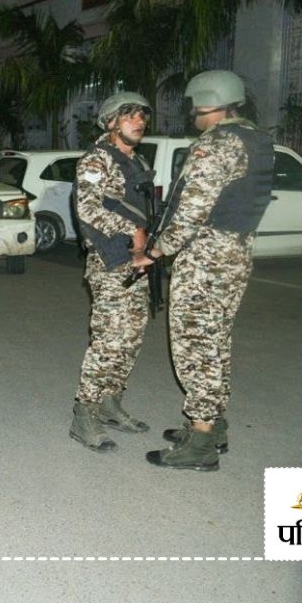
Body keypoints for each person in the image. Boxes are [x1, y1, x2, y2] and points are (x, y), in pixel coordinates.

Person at [138, 70, 274, 471]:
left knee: (196, 346)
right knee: (215, 342)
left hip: (206, 258)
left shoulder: (217, 144)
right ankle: (213, 426)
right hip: (235, 253)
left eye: (193, 104)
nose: (191, 112)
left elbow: (192, 211)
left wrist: (157, 250)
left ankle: (200, 443)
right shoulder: (258, 139)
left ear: (207, 101)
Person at [68, 92, 155, 453]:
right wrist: (132, 230)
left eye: (142, 116)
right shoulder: (97, 159)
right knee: (108, 341)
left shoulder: (137, 161)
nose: (139, 122)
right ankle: (84, 413)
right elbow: (87, 209)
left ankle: (110, 402)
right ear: (111, 122)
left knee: (131, 338)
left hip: (137, 261)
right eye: (129, 116)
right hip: (109, 262)